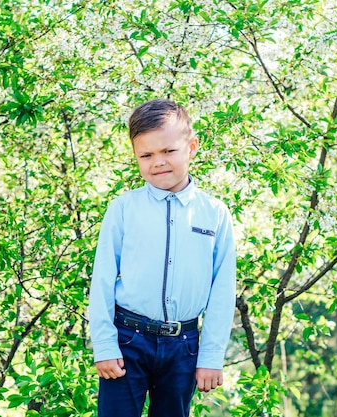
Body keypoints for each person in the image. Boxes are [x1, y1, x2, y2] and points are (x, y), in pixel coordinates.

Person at [88, 98, 236, 417]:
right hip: (128, 340)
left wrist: (210, 356)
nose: (158, 162)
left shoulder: (215, 214)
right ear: (136, 157)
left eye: (168, 151)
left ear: (192, 146)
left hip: (184, 346)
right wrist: (104, 345)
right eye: (146, 155)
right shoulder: (124, 209)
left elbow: (222, 292)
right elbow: (100, 280)